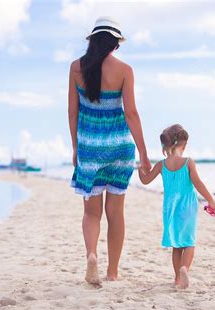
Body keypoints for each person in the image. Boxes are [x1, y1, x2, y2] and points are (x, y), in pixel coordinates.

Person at [68, 16, 151, 285]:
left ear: (92, 41)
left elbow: (72, 112)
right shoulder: (125, 70)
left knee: (92, 213)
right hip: (120, 149)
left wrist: (75, 149)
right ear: (115, 44)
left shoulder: (76, 68)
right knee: (116, 213)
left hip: (90, 149)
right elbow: (132, 113)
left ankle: (92, 255)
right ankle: (112, 272)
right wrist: (144, 153)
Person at [138, 124, 215, 289]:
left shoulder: (161, 165)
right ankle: (184, 269)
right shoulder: (188, 163)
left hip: (170, 208)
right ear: (184, 145)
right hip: (187, 207)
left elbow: (145, 181)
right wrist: (210, 200)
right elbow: (198, 184)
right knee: (189, 242)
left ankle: (177, 279)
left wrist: (140, 170)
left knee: (176, 244)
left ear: (165, 146)